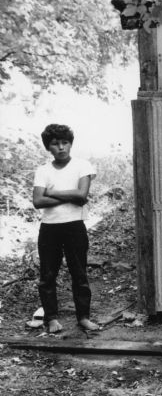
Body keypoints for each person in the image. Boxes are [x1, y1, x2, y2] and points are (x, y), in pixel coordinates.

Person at [32, 124, 99, 333]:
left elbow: (81, 197)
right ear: (48, 147)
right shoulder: (43, 170)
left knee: (79, 274)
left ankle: (83, 318)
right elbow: (37, 201)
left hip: (74, 227)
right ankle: (51, 319)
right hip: (49, 228)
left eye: (65, 142)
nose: (61, 147)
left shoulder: (82, 166)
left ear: (71, 144)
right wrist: (68, 195)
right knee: (47, 276)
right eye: (55, 144)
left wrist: (51, 193)